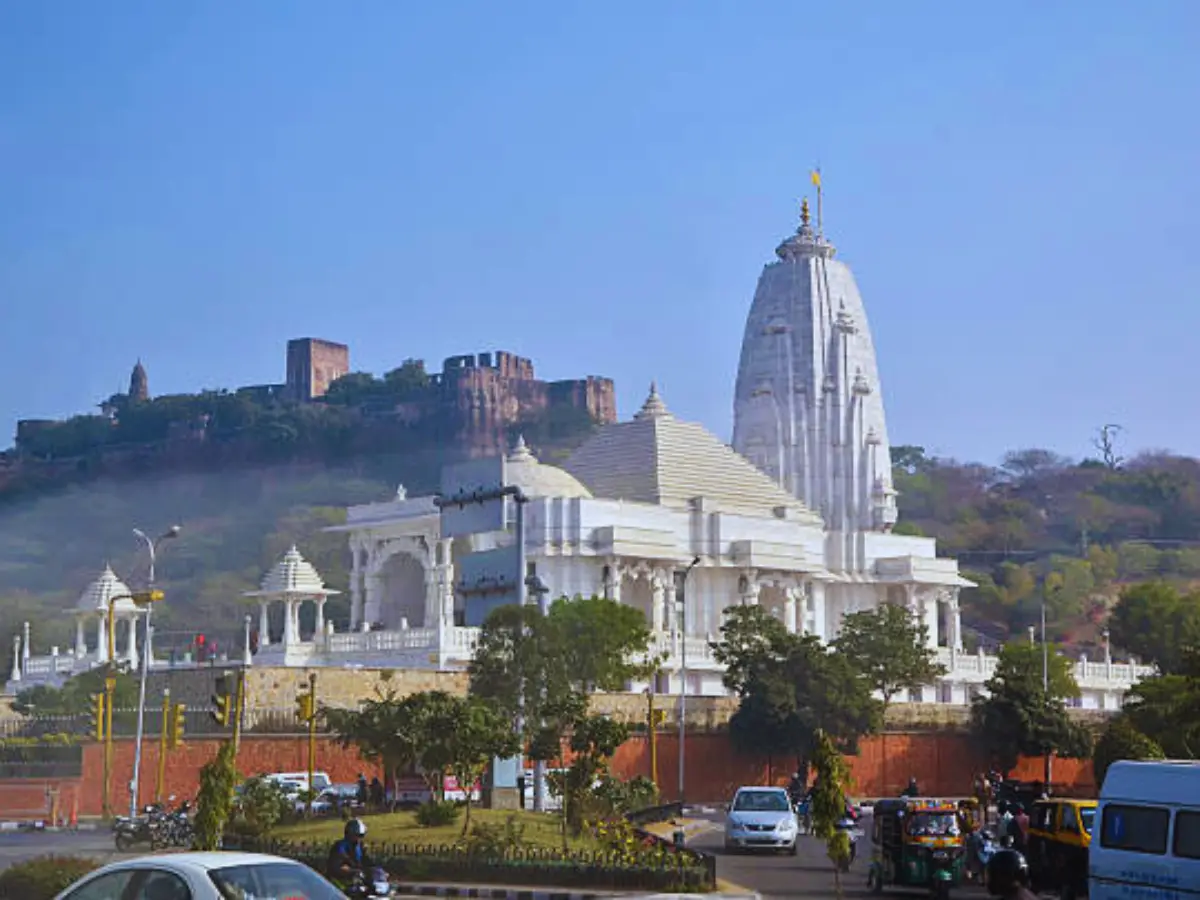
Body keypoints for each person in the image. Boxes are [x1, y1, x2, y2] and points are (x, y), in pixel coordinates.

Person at [327, 818, 371, 885]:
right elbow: (337, 867)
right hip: (340, 882)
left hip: (358, 880)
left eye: (361, 836)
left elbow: (368, 862)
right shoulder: (339, 847)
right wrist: (353, 871)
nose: (359, 838)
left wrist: (379, 871)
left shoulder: (360, 847)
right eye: (357, 835)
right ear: (349, 834)